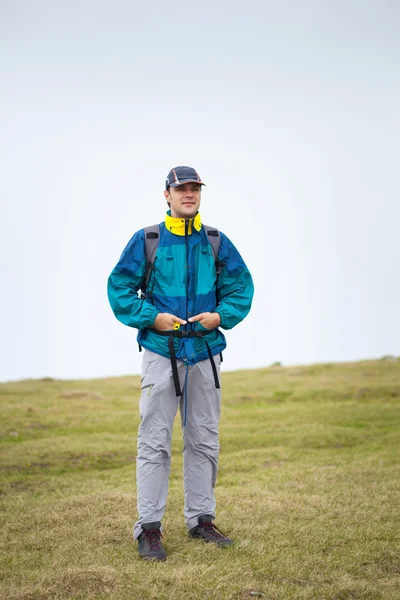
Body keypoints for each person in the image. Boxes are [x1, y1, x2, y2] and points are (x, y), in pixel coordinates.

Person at [107, 165, 254, 561]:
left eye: (195, 188)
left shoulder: (216, 242)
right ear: (167, 195)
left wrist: (220, 316)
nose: (189, 194)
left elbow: (241, 287)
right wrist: (150, 317)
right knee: (154, 442)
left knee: (204, 438)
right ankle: (149, 528)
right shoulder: (148, 240)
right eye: (181, 188)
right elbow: (120, 287)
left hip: (205, 353)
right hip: (161, 354)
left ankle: (201, 520)